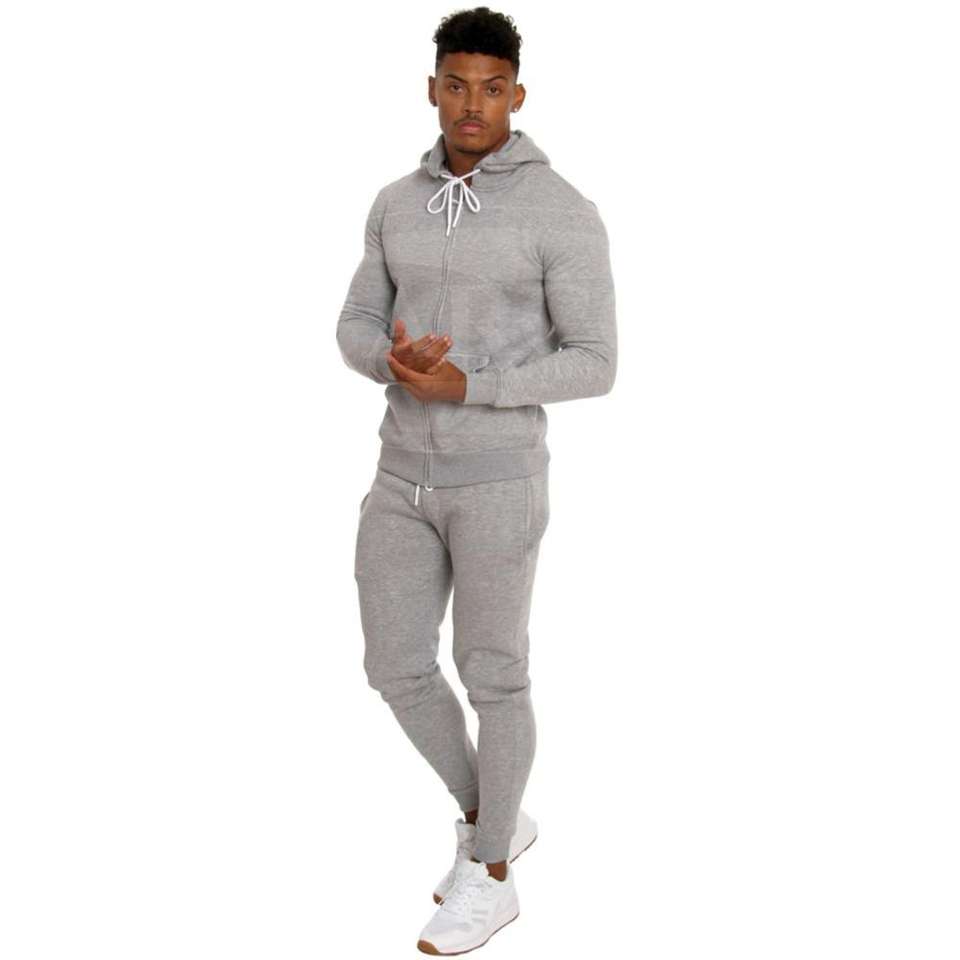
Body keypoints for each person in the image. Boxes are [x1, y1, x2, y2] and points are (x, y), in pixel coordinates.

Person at [336, 7, 617, 954]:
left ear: (516, 96)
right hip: (398, 477)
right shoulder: (393, 201)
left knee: (494, 674)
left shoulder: (562, 211)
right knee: (394, 665)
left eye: (492, 89)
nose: (472, 105)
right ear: (432, 89)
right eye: (456, 85)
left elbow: (596, 362)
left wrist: (473, 385)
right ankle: (491, 812)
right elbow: (354, 321)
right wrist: (389, 360)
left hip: (499, 480)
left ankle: (492, 872)